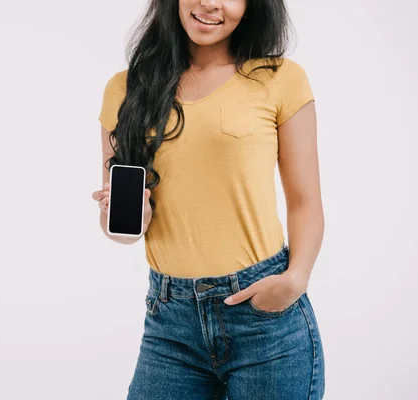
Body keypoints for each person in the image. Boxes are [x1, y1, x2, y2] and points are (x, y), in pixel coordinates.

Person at [91, 0, 325, 398]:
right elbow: (122, 232)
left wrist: (295, 280)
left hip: (263, 318)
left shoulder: (280, 79)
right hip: (170, 324)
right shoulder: (127, 89)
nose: (209, 3)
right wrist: (126, 215)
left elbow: (305, 200)